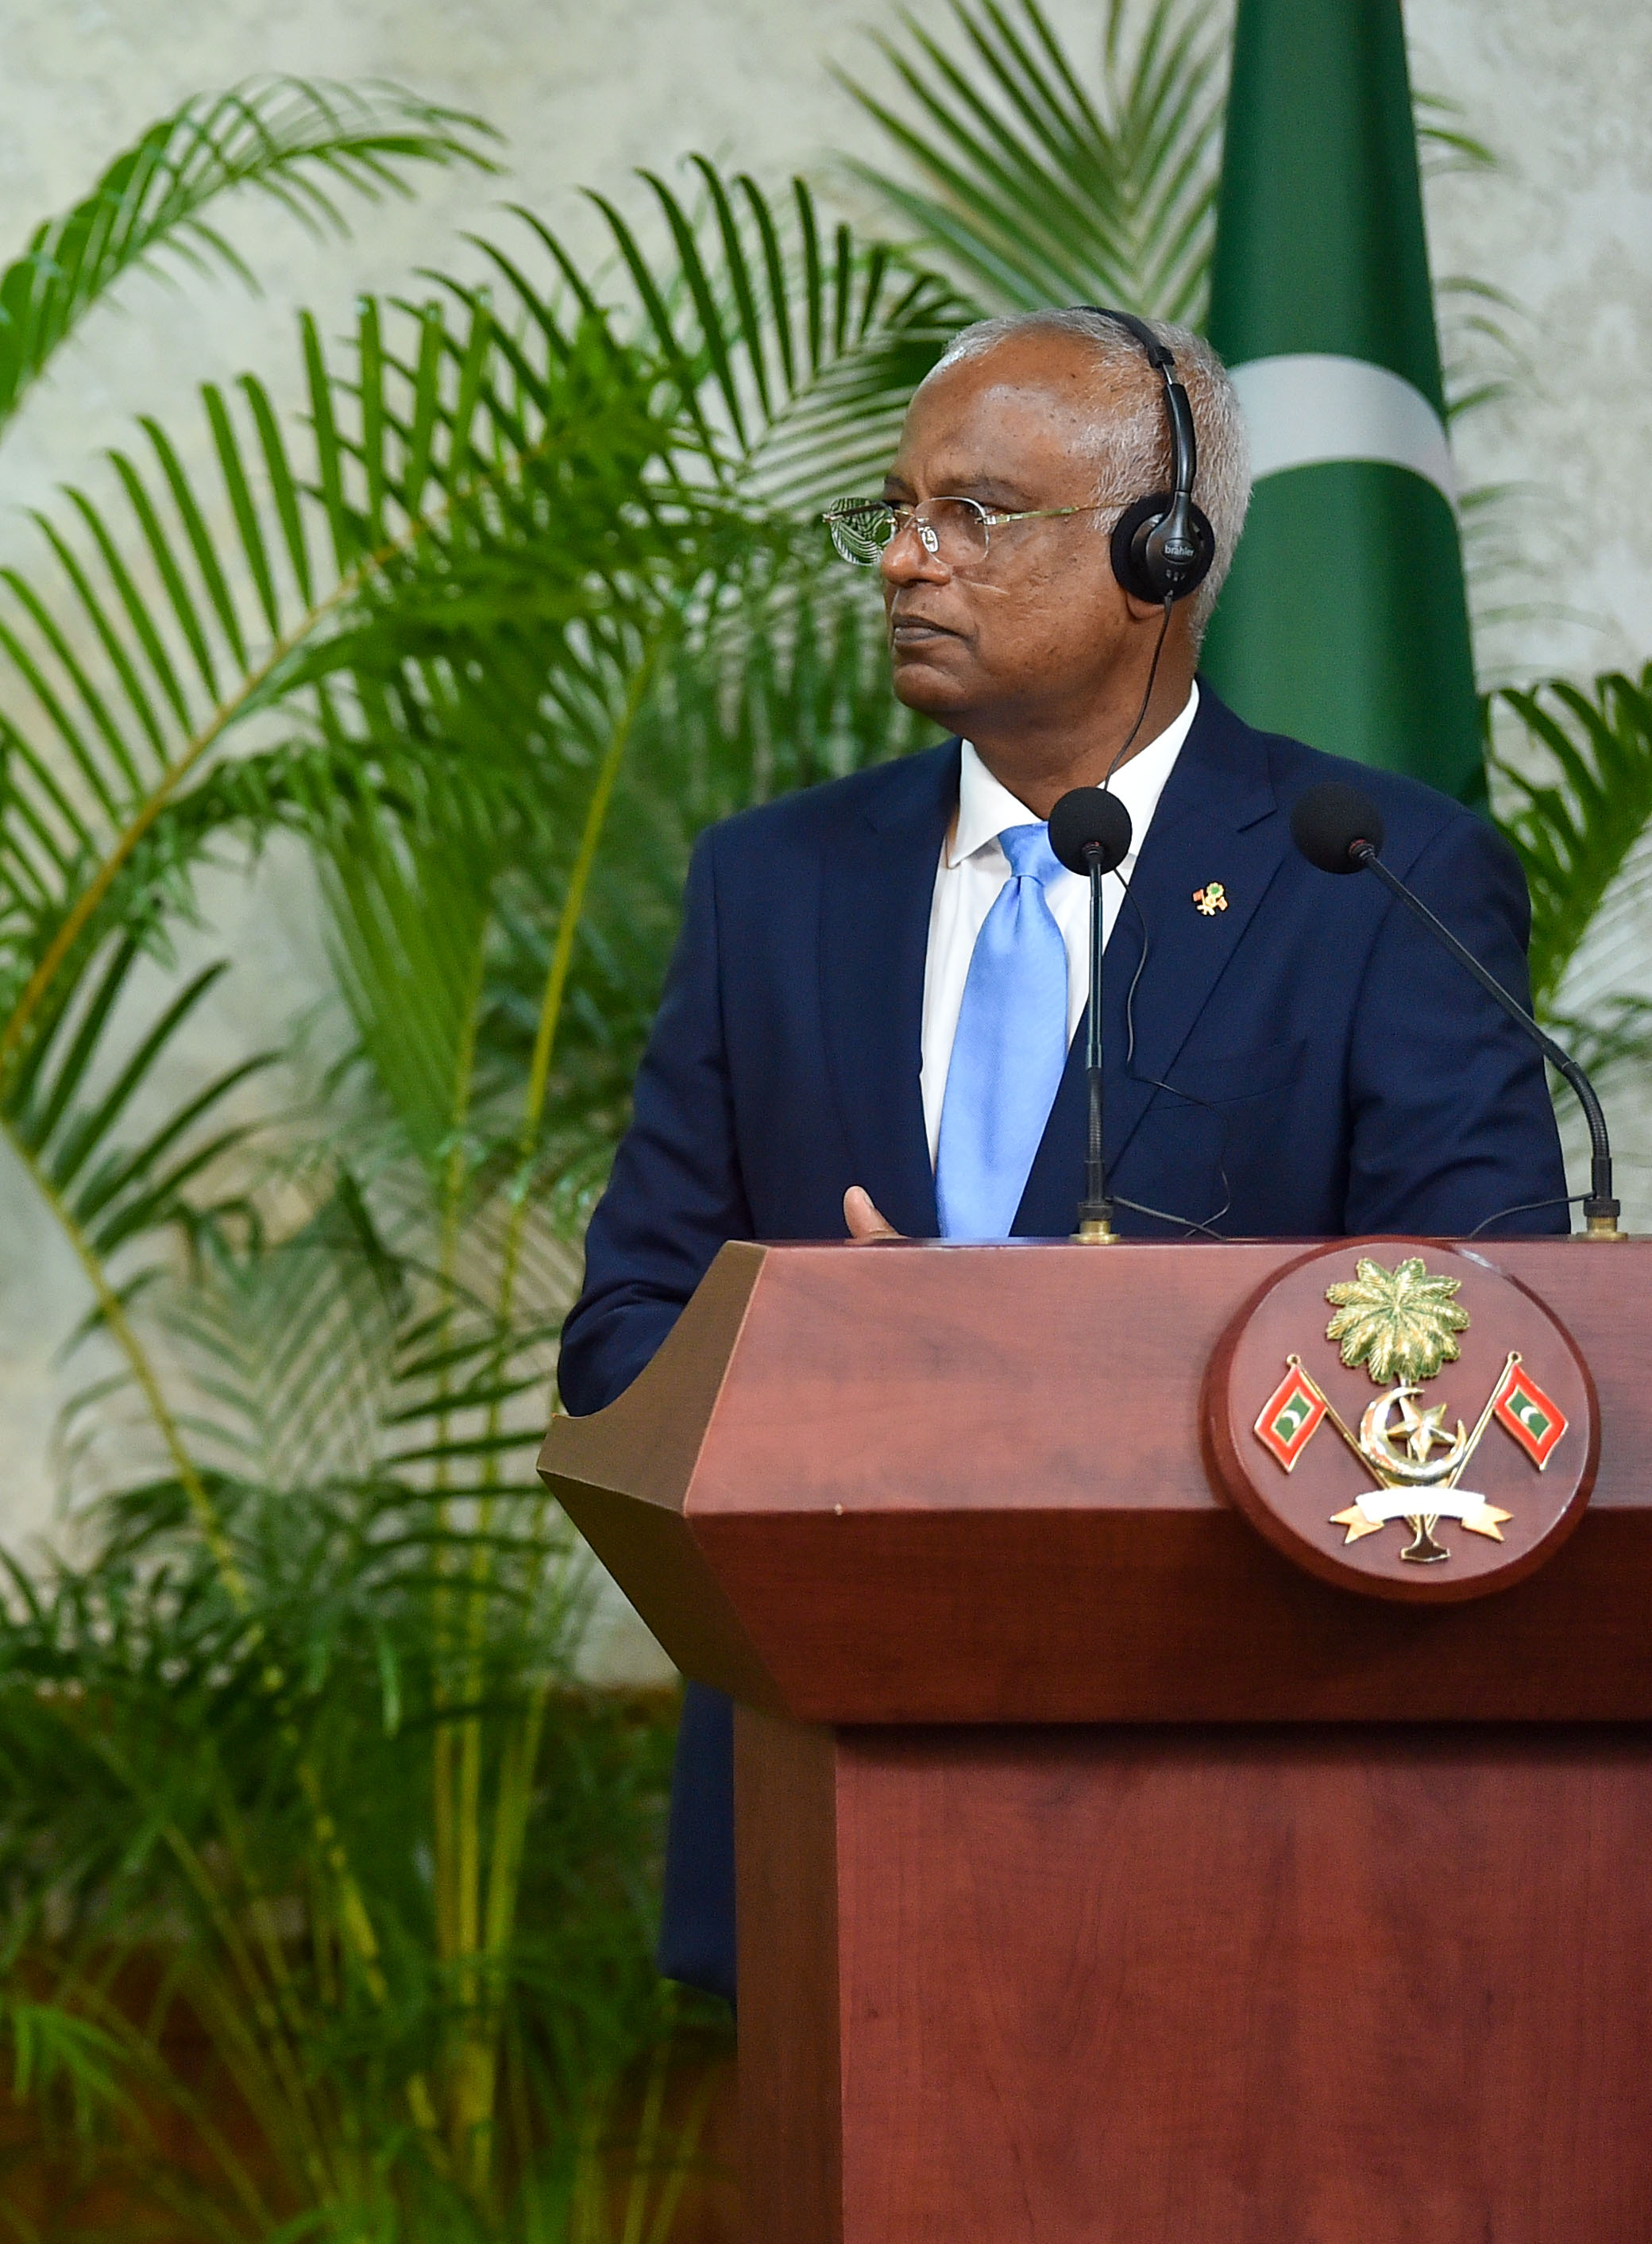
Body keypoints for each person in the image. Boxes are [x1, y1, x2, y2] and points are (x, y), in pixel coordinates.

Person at [558, 306, 1566, 2003]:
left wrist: (1010, 1359)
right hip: (826, 1804)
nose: (903, 560)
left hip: (1238, 1824)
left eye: (974, 513)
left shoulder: (1371, 881)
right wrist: (825, 1366)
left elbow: (1467, 1352)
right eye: (890, 512)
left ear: (1156, 552)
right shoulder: (773, 885)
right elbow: (618, 1335)